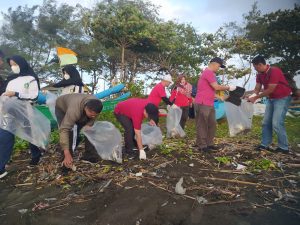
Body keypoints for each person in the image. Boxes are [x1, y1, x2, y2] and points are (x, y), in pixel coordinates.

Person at [0, 55, 43, 179]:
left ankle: (36, 156)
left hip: (24, 110)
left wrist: (16, 93)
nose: (13, 67)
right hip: (8, 112)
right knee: (4, 136)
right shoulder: (11, 79)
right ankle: (1, 168)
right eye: (11, 65)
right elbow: (4, 95)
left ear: (22, 64)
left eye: (15, 64)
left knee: (30, 135)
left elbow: (34, 95)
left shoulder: (31, 79)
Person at [248, 55, 292, 154]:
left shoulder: (274, 71)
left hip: (282, 98)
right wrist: (252, 96)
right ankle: (265, 144)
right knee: (265, 122)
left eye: (255, 67)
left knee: (276, 123)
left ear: (260, 65)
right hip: (271, 99)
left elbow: (270, 89)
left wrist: (256, 97)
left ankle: (284, 147)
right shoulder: (259, 74)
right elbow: (257, 88)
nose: (255, 69)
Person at [194, 57, 236, 152]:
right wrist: (229, 87)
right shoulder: (208, 72)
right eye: (219, 66)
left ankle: (209, 143)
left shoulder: (210, 73)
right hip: (202, 102)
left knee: (212, 123)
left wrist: (219, 96)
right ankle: (202, 145)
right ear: (213, 63)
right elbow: (216, 86)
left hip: (209, 103)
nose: (219, 68)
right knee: (202, 124)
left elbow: (208, 89)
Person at [55, 93, 103, 168]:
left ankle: (90, 156)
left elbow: (92, 119)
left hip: (79, 106)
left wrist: (88, 125)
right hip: (62, 108)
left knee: (90, 130)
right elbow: (64, 130)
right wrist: (67, 153)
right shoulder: (74, 111)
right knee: (70, 132)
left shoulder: (97, 105)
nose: (93, 116)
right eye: (91, 114)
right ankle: (66, 159)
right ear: (86, 108)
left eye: (95, 115)